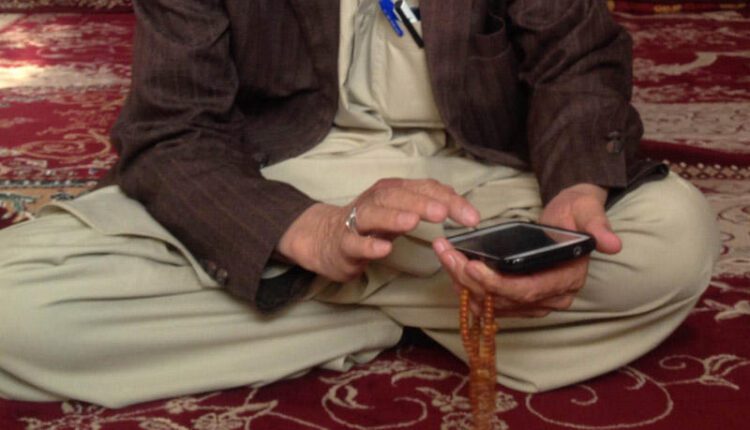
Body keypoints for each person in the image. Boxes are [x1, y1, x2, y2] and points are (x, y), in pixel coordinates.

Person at [0, 0, 719, 408]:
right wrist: (307, 232)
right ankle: (430, 305)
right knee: (13, 309)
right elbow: (172, 129)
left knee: (672, 239)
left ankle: (299, 295)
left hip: (473, 182)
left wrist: (573, 192)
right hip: (275, 182)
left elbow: (577, 59)